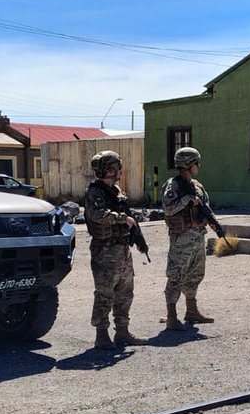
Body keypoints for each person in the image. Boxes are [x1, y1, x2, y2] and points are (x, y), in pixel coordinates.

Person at [84, 150, 147, 349]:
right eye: (117, 167)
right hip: (105, 249)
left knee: (125, 292)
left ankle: (122, 331)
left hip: (121, 247)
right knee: (105, 293)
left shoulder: (115, 191)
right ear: (110, 170)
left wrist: (137, 237)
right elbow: (97, 214)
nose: (120, 170)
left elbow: (125, 213)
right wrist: (122, 219)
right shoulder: (95, 192)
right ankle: (101, 335)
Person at [162, 146, 218, 330]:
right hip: (181, 239)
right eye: (196, 163)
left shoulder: (197, 186)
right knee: (176, 275)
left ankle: (191, 310)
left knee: (195, 274)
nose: (198, 166)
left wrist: (214, 223)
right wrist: (187, 200)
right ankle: (171, 316)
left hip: (198, 236)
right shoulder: (173, 186)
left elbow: (206, 207)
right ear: (187, 164)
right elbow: (168, 208)